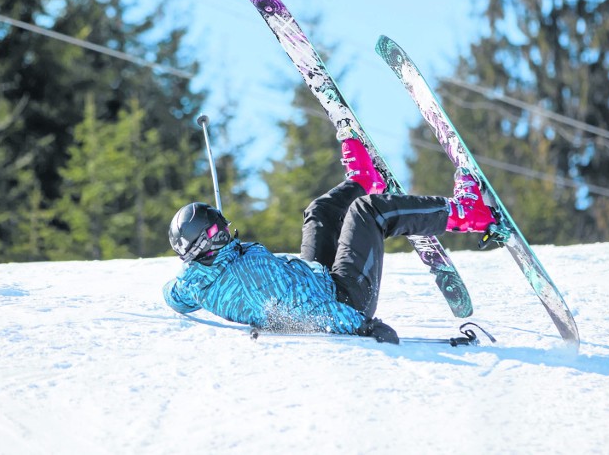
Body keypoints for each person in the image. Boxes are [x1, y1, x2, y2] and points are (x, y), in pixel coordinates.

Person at [163, 138, 496, 344]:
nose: (226, 229)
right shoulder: (250, 278)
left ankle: (365, 179)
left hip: (313, 277)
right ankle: (466, 213)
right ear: (207, 243)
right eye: (218, 230)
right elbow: (304, 313)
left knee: (320, 212)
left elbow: (174, 297)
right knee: (369, 212)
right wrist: (363, 325)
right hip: (345, 299)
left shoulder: (193, 279)